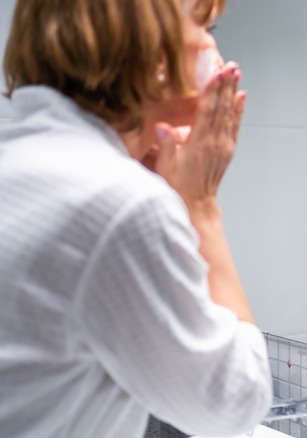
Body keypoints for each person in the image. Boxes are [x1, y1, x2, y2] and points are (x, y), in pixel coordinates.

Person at [0, 0, 272, 436]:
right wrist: (199, 206)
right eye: (208, 28)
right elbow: (235, 405)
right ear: (154, 54)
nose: (215, 49)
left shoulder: (17, 159)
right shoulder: (122, 206)